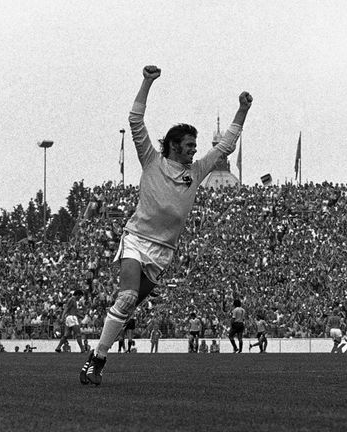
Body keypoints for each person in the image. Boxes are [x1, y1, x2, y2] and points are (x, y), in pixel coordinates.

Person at [81, 64, 252, 385]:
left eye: (195, 145)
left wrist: (241, 110)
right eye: (189, 145)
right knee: (127, 298)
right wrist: (146, 82)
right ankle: (99, 359)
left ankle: (95, 353)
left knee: (127, 308)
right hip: (136, 239)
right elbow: (135, 121)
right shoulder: (151, 160)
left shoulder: (197, 171)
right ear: (175, 145)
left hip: (163, 253)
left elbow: (226, 145)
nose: (195, 149)